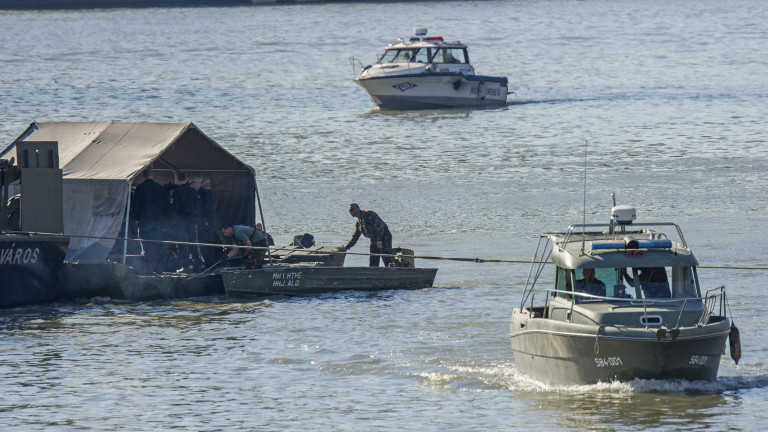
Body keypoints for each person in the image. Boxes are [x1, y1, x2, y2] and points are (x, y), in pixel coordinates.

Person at [132, 168, 168, 273]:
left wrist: (137, 218)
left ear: (143, 176)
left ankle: (149, 268)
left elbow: (136, 205)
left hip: (144, 221)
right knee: (158, 245)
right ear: (153, 175)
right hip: (158, 221)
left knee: (147, 245)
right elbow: (165, 205)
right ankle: (160, 269)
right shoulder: (160, 188)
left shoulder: (140, 188)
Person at [337, 203, 393, 267]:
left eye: (352, 210)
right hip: (374, 239)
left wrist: (379, 241)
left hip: (384, 238)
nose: (350, 212)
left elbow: (379, 227)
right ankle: (373, 273)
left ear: (357, 209)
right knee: (373, 260)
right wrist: (346, 247)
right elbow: (355, 236)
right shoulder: (359, 222)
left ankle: (393, 272)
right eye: (349, 211)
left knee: (387, 259)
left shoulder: (369, 214)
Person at [170, 172, 200, 272]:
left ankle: (186, 266)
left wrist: (173, 219)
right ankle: (198, 264)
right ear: (187, 179)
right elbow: (197, 206)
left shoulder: (177, 191)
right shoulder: (193, 191)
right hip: (191, 220)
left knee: (182, 244)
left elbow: (174, 207)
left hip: (180, 221)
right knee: (192, 242)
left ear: (178, 180)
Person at [190, 175, 219, 267]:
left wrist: (206, 221)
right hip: (200, 223)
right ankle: (206, 261)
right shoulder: (194, 194)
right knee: (201, 243)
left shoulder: (206, 193)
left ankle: (211, 263)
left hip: (207, 223)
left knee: (207, 243)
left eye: (191, 184)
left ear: (196, 183)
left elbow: (209, 208)